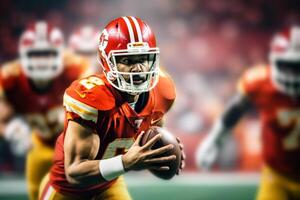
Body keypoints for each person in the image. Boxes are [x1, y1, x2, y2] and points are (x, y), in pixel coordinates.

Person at [39, 16, 184, 200]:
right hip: (66, 191)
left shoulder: (162, 92)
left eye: (144, 58)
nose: (138, 68)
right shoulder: (91, 98)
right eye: (128, 60)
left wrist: (160, 152)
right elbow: (74, 172)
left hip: (109, 184)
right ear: (107, 62)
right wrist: (125, 163)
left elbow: (152, 130)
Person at [196, 26, 300, 200]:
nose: (292, 74)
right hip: (277, 176)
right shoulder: (260, 83)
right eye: (287, 66)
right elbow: (235, 109)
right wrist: (214, 140)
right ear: (274, 61)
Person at [0, 21, 88, 200]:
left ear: (59, 54)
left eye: (47, 53)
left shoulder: (75, 69)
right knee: (36, 194)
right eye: (36, 54)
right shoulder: (11, 77)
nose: (41, 60)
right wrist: (8, 130)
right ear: (23, 56)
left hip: (74, 144)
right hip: (39, 144)